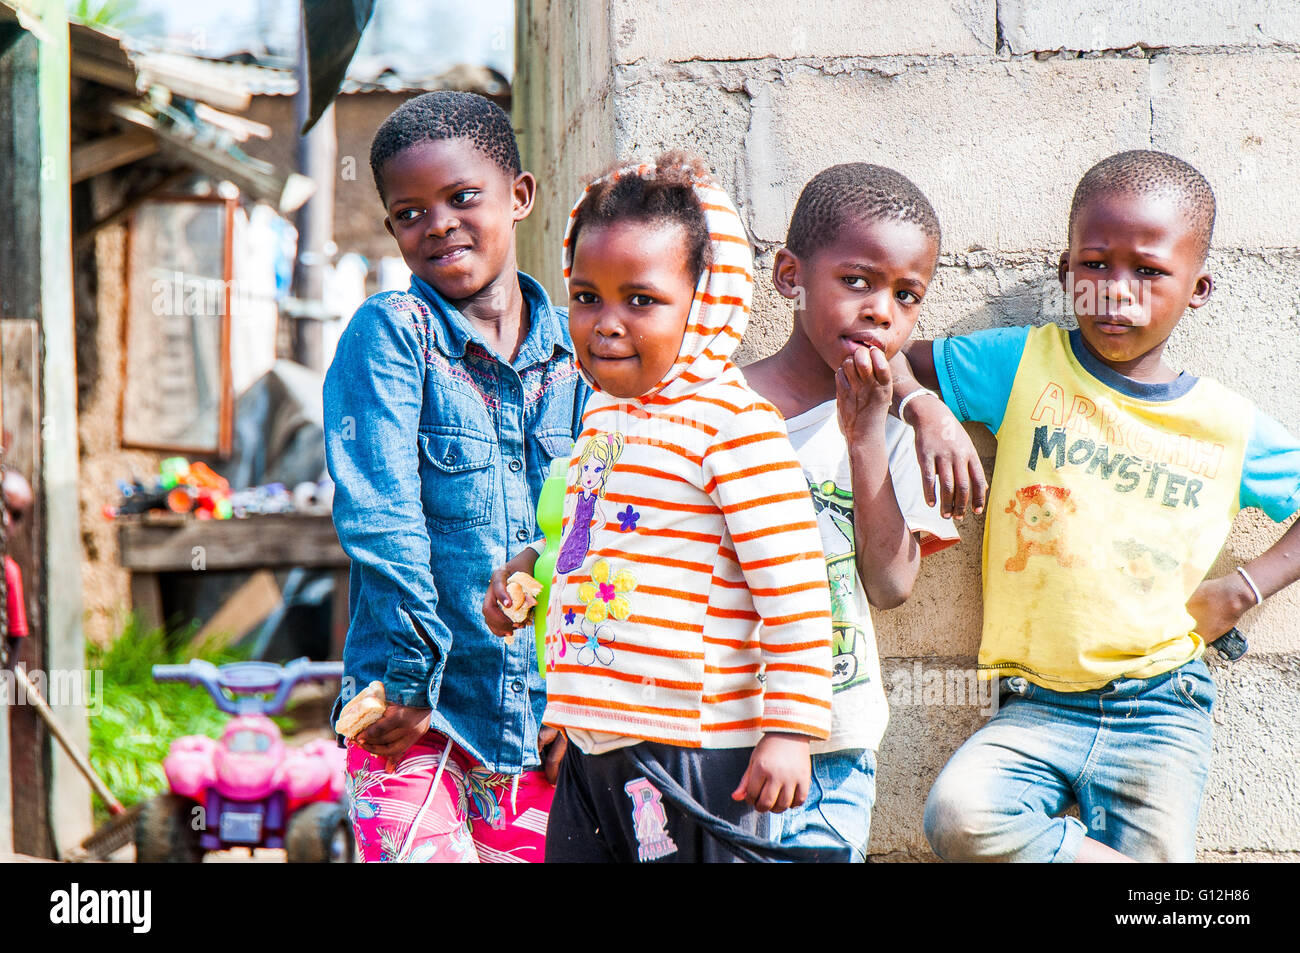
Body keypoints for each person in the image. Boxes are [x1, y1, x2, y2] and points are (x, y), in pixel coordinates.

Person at [890, 150, 1300, 862]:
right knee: (959, 816)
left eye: (1148, 270)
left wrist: (1245, 585)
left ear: (1198, 289)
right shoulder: (1022, 364)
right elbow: (883, 348)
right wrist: (925, 408)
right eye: (1095, 264)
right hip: (1036, 704)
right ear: (1065, 273)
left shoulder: (1226, 424)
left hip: (1161, 705)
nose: (1116, 291)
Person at [485, 153, 837, 862]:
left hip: (694, 747)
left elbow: (794, 582)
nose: (605, 323)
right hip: (594, 743)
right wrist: (528, 586)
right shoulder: (603, 418)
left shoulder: (734, 425)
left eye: (640, 300)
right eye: (586, 297)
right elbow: (585, 549)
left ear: (702, 301)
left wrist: (791, 728)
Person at [323, 90, 588, 863]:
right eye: (410, 212)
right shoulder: (392, 337)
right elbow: (382, 519)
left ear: (521, 196)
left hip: (550, 726)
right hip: (414, 717)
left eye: (462, 197)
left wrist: (585, 698)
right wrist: (410, 677)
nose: (437, 223)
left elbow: (604, 536)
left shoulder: (582, 357)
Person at [743, 163, 959, 862]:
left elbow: (892, 586)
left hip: (834, 747)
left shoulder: (895, 435)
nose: (880, 311)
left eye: (906, 295)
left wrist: (865, 432)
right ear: (789, 276)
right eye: (857, 281)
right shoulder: (720, 410)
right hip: (715, 733)